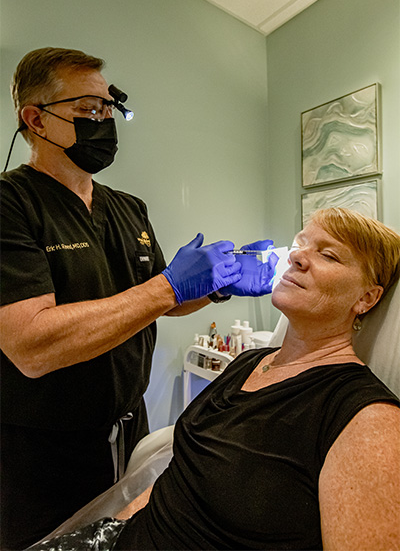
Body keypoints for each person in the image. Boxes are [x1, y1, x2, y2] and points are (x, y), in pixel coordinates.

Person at [0, 47, 278, 550]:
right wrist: (170, 284)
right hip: (43, 451)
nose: (105, 121)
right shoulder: (11, 204)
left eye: (109, 109)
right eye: (88, 110)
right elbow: (31, 344)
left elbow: (160, 301)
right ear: (35, 119)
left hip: (130, 426)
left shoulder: (128, 208)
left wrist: (215, 286)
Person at [28, 207, 400, 551]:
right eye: (301, 244)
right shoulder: (250, 362)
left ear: (367, 298)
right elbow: (178, 478)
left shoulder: (366, 420)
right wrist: (107, 532)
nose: (297, 256)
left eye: (328, 255)